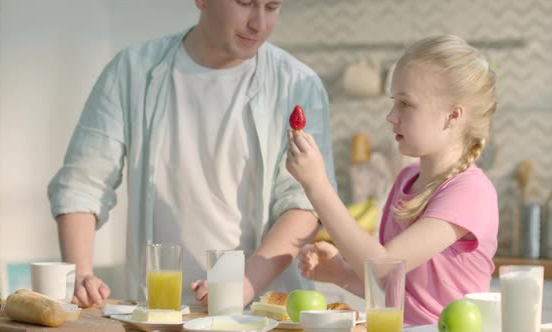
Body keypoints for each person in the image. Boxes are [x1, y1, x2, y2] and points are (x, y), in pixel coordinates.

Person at [47, 0, 336, 308]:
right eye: (245, 3)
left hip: (263, 311)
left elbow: (304, 203)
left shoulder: (298, 84)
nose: (259, 23)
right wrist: (79, 274)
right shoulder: (132, 70)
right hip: (158, 312)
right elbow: (82, 183)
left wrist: (243, 285)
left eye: (272, 6)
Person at [286, 35, 498, 325]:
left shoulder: (471, 192)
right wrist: (341, 274)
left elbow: (383, 267)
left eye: (406, 104)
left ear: (452, 116)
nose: (391, 116)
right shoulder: (406, 179)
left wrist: (317, 185)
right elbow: (396, 293)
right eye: (393, 102)